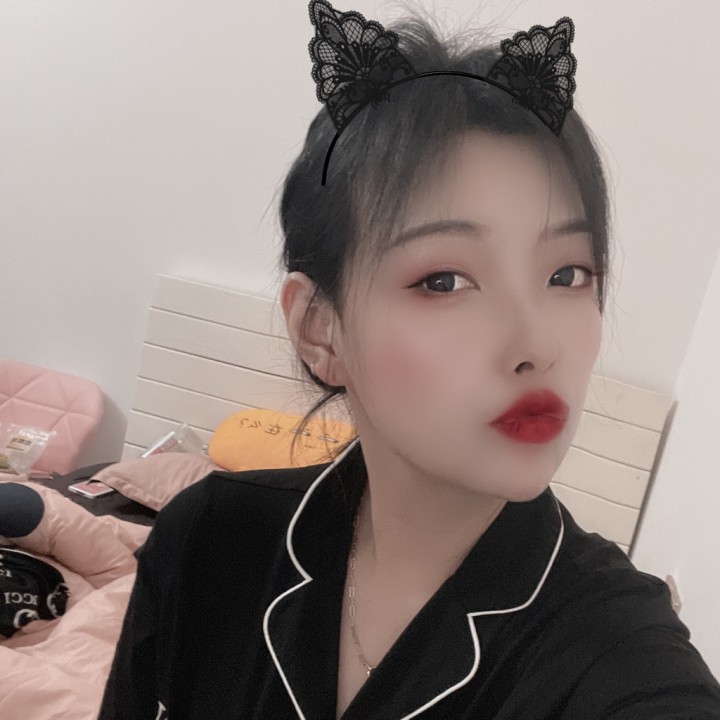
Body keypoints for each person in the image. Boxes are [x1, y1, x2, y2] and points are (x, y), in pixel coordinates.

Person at [98, 2, 720, 718]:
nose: (535, 346)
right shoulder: (210, 541)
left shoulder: (616, 651)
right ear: (320, 329)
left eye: (566, 274)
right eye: (445, 281)